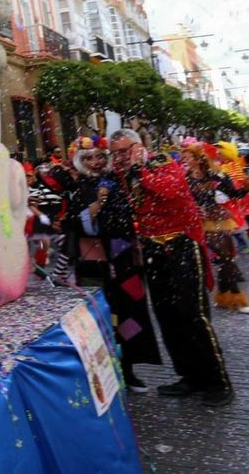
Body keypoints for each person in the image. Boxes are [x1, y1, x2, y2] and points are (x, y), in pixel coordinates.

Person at [114, 128, 233, 407]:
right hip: (154, 248)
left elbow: (169, 190)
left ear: (139, 146)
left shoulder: (161, 161)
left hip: (182, 243)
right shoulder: (123, 173)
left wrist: (140, 168)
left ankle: (218, 381)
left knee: (192, 313)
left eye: (125, 150)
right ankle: (190, 376)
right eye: (115, 153)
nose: (120, 157)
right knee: (167, 314)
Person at [61, 136, 161, 391]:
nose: (95, 162)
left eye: (99, 157)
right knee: (100, 313)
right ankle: (104, 372)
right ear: (80, 162)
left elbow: (133, 213)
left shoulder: (120, 181)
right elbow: (71, 222)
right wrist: (95, 207)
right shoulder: (78, 188)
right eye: (88, 158)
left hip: (123, 256)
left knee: (130, 311)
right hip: (93, 261)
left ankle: (128, 368)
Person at [187, 144, 249, 313]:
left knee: (227, 257)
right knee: (226, 257)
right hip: (201, 221)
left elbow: (234, 194)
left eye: (188, 158)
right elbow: (185, 199)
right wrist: (195, 206)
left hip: (219, 218)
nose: (185, 161)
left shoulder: (217, 174)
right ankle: (237, 298)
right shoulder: (187, 177)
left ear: (199, 159)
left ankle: (223, 296)